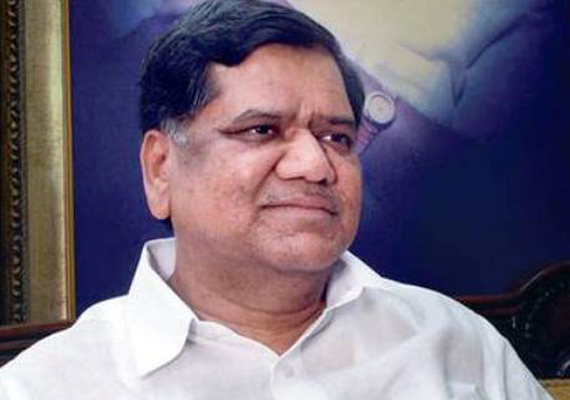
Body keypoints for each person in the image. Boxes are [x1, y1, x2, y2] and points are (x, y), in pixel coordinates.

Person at [0, 0, 554, 398]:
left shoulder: (459, 347)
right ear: (160, 169)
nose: (315, 165)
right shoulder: (49, 385)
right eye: (262, 130)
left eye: (337, 137)